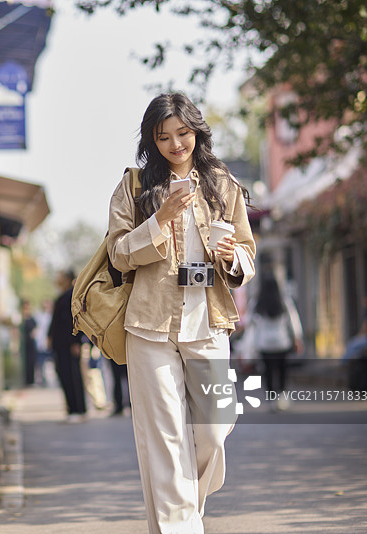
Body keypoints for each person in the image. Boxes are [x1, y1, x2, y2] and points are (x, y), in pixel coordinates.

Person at [106, 92, 256, 533]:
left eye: (183, 133)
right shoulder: (133, 187)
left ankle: (182, 510)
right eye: (164, 137)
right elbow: (118, 254)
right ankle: (182, 525)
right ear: (152, 141)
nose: (175, 144)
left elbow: (247, 252)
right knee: (166, 443)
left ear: (196, 132)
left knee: (214, 429)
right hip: (150, 328)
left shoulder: (222, 184)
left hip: (209, 323)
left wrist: (231, 258)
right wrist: (159, 219)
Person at [249, 274, 304, 410]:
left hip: (264, 344)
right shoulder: (284, 301)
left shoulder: (257, 303)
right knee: (282, 370)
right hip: (282, 342)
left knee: (268, 372)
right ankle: (283, 398)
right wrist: (297, 338)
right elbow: (293, 320)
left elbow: (249, 323)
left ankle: (271, 400)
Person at [48, 269, 87, 423]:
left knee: (72, 376)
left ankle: (78, 409)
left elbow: (75, 321)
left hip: (69, 345)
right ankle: (71, 408)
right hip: (60, 345)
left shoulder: (72, 296)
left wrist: (76, 342)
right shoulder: (62, 296)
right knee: (64, 375)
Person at [20, 300, 38, 386]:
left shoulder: (31, 318)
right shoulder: (21, 319)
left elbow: (35, 329)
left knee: (31, 362)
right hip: (24, 344)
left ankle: (31, 380)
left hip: (30, 344)